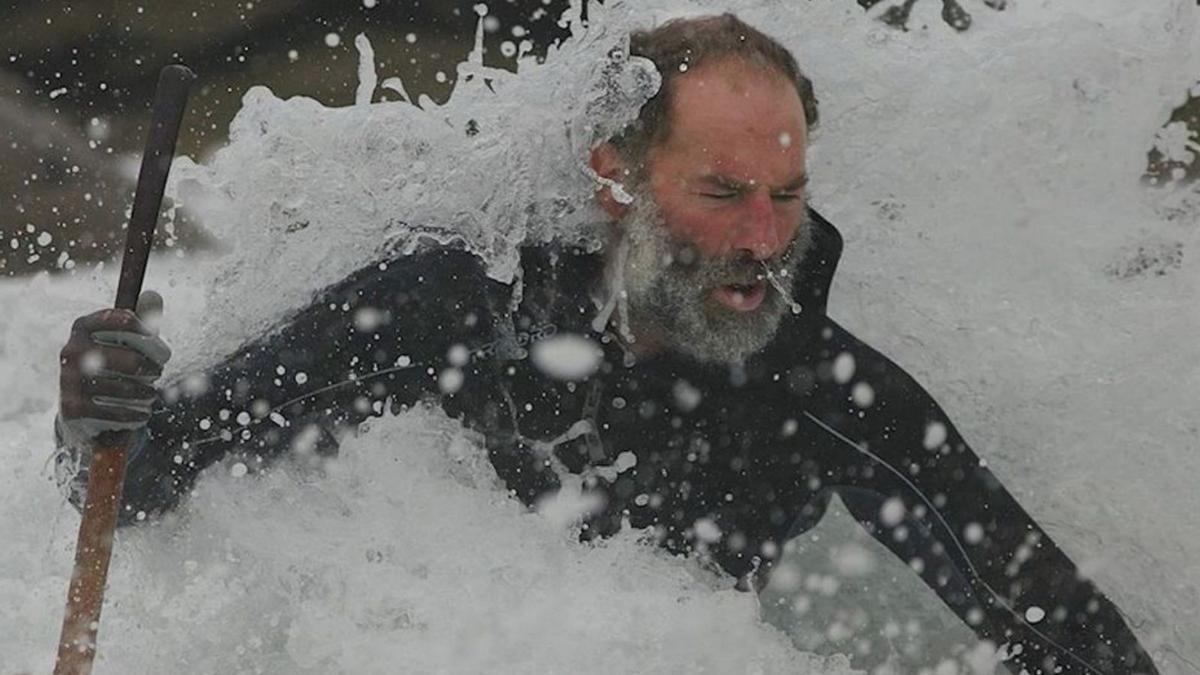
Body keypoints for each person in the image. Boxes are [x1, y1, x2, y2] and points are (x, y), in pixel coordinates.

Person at [55, 14, 1158, 675]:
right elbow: (143, 478)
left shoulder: (822, 388)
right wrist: (96, 415)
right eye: (721, 192)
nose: (764, 240)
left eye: (787, 195)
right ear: (614, 176)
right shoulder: (452, 308)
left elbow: (1060, 632)